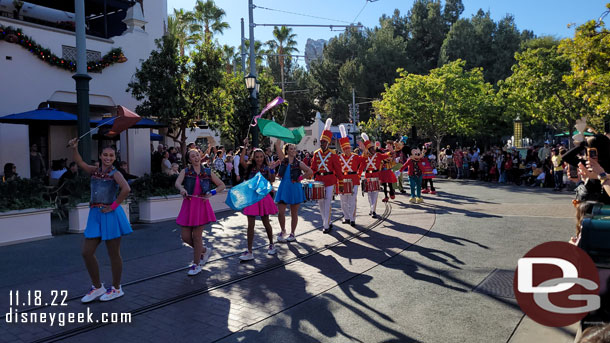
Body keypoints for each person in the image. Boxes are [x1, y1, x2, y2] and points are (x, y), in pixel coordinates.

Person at [68, 138, 132, 303]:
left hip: (110, 214)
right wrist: (75, 148)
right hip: (95, 214)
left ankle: (117, 288)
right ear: (100, 155)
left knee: (113, 254)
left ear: (114, 158)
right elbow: (80, 161)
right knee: (86, 252)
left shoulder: (115, 173)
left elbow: (126, 189)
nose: (108, 158)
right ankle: (97, 287)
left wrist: (114, 206)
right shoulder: (94, 170)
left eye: (111, 155)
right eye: (105, 155)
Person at [175, 149, 225, 275]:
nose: (196, 157)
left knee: (197, 237)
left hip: (201, 206)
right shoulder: (185, 171)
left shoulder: (207, 171)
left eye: (197, 155)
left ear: (200, 156)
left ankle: (196, 264)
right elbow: (177, 183)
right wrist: (182, 189)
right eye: (193, 156)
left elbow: (221, 185)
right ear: (189, 159)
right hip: (189, 205)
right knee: (185, 237)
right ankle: (204, 250)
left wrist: (211, 193)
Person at [238, 143, 279, 261]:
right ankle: (249, 251)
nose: (259, 158)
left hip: (263, 197)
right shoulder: (250, 167)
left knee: (266, 222)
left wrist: (272, 170)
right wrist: (245, 147)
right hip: (252, 198)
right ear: (253, 158)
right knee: (250, 225)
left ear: (264, 157)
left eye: (261, 156)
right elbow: (241, 161)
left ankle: (271, 244)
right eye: (257, 157)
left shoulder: (267, 168)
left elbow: (272, 181)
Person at [274, 138, 313, 242]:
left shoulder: (299, 163)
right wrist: (280, 134)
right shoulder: (283, 160)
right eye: (291, 149)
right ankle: (283, 231)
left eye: (294, 149)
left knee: (293, 212)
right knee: (280, 212)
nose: (293, 150)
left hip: (295, 188)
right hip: (284, 187)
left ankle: (292, 233)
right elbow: (277, 146)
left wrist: (300, 178)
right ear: (287, 151)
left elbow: (310, 171)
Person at [310, 119, 342, 234]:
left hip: (330, 180)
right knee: (320, 202)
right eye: (321, 141)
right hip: (319, 180)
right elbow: (313, 168)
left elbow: (338, 169)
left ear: (328, 143)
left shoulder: (333, 154)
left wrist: (341, 183)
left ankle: (325, 225)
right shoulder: (316, 153)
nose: (322, 143)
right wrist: (308, 176)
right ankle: (326, 221)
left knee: (327, 201)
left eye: (324, 142)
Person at [358, 133, 392, 218]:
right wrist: (358, 176)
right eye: (371, 148)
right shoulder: (365, 157)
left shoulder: (378, 155)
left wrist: (390, 152)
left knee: (375, 194)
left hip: (376, 176)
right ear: (368, 149)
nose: (373, 149)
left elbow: (385, 156)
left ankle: (373, 210)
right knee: (369, 194)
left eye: (373, 148)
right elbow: (361, 167)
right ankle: (371, 208)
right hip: (368, 176)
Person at [337, 125, 363, 227]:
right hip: (342, 180)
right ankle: (346, 217)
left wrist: (359, 173)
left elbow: (365, 161)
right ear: (342, 149)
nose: (346, 150)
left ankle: (352, 219)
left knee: (352, 200)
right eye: (344, 148)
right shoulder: (339, 158)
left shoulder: (355, 157)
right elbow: (336, 170)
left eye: (348, 148)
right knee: (343, 201)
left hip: (353, 180)